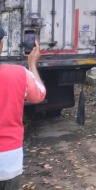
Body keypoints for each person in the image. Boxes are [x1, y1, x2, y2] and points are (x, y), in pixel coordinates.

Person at [0, 27, 45, 189]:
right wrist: (32, 65)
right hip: (9, 160)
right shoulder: (19, 73)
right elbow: (39, 95)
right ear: (1, 45)